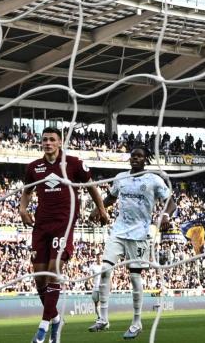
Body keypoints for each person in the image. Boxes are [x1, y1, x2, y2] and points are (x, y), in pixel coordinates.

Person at [19, 126, 111, 343]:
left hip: (64, 223)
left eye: (52, 139)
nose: (48, 143)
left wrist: (101, 209)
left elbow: (91, 187)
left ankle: (43, 327)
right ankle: (57, 318)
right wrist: (23, 209)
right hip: (41, 226)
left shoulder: (74, 163)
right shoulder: (34, 168)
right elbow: (27, 191)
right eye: (44, 139)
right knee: (39, 277)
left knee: (54, 270)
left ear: (60, 142)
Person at [89, 147, 174, 339]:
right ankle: (103, 318)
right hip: (118, 231)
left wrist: (166, 214)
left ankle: (137, 322)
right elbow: (111, 197)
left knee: (134, 277)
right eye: (133, 155)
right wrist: (99, 208)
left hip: (139, 234)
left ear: (145, 160)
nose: (135, 158)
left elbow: (171, 201)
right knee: (105, 270)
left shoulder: (154, 180)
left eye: (139, 156)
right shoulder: (121, 178)